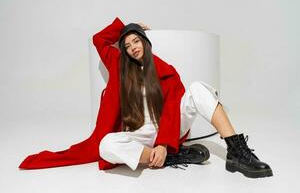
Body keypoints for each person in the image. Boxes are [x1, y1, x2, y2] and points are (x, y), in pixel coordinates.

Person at [19, 17, 273, 178]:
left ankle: (235, 151)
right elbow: (99, 39)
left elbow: (174, 105)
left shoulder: (164, 69)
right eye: (127, 45)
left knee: (196, 88)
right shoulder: (119, 64)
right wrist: (127, 26)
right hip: (140, 131)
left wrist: (163, 141)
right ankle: (168, 157)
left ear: (145, 42)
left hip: (168, 126)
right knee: (105, 145)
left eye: (136, 40)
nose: (132, 48)